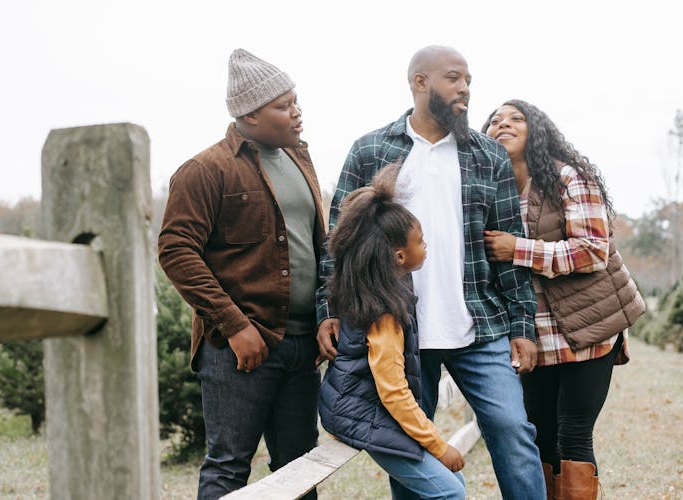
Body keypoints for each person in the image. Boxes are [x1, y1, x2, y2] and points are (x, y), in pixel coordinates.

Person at [316, 45, 546, 499]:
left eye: (468, 82)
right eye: (454, 78)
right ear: (420, 82)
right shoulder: (370, 150)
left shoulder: (488, 156)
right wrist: (328, 310)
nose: (465, 90)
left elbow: (508, 246)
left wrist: (523, 325)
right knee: (409, 450)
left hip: (478, 326)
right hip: (398, 331)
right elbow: (337, 243)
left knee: (513, 431)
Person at [158, 48, 326, 499]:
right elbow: (176, 252)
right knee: (229, 465)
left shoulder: (299, 158)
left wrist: (325, 318)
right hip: (241, 349)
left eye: (296, 101)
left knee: (300, 468)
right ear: (249, 114)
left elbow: (317, 245)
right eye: (283, 105)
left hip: (302, 344)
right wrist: (235, 327)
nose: (297, 112)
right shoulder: (204, 170)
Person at [482, 99, 645, 499]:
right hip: (534, 338)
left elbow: (592, 251)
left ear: (536, 129)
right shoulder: (488, 192)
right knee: (539, 434)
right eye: (495, 121)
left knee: (573, 434)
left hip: (589, 329)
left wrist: (518, 248)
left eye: (516, 118)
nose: (503, 124)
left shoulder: (568, 177)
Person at [319, 163, 466, 499]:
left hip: (367, 409)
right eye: (420, 240)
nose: (425, 246)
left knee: (454, 486)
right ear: (400, 255)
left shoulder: (381, 287)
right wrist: (439, 445)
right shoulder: (384, 313)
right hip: (362, 414)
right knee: (450, 493)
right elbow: (393, 391)